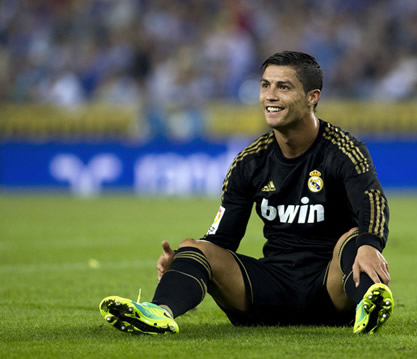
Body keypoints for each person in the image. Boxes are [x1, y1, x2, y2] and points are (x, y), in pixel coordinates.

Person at [99, 51, 394, 335]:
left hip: (332, 287)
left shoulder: (343, 150)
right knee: (195, 246)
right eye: (265, 85)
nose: (270, 95)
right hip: (270, 290)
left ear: (312, 97)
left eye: (284, 87)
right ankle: (159, 312)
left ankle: (368, 305)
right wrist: (184, 264)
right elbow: (222, 240)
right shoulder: (250, 161)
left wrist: (370, 244)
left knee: (356, 239)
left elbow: (373, 204)